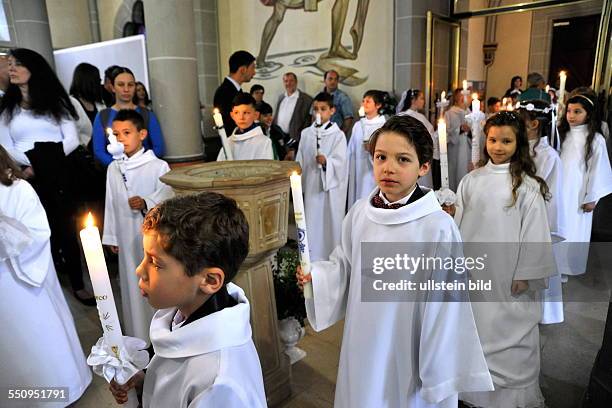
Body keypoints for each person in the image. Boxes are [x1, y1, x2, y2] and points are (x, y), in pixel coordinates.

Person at [296, 115, 494, 407]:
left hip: (408, 341)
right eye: (381, 157)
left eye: (403, 159)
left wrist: (439, 367)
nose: (388, 168)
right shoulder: (361, 213)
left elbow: (446, 301)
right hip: (363, 335)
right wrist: (320, 278)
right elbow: (344, 265)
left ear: (423, 167)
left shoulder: (437, 226)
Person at [108, 192, 267, 407]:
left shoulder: (218, 384)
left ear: (210, 280)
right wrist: (146, 377)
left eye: (155, 263)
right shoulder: (189, 310)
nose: (139, 270)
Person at [452, 111, 556, 407]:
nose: (497, 147)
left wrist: (525, 272)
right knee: (476, 325)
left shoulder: (527, 186)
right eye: (493, 140)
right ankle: (470, 391)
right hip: (475, 268)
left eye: (506, 141)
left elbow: (535, 232)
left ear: (519, 143)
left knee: (505, 325)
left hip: (509, 271)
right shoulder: (471, 180)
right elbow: (459, 219)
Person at [0, 48, 95, 305]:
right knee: (39, 229)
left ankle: (77, 282)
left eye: (17, 64)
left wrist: (45, 163)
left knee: (67, 227)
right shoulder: (7, 108)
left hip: (60, 172)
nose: (12, 69)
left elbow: (72, 139)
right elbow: (5, 143)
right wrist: (32, 162)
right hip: (26, 175)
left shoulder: (56, 102)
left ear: (34, 68)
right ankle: (47, 280)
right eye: (10, 64)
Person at [0, 145, 92, 405]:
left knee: (34, 344)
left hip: (18, 281)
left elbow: (36, 234)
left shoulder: (16, 188)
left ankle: (51, 395)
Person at [102, 109, 174, 341]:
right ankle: (138, 336)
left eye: (126, 132)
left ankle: (161, 333)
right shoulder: (113, 168)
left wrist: (146, 201)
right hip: (125, 235)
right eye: (116, 134)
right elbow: (111, 202)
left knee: (155, 281)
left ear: (142, 134)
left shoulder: (158, 166)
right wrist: (112, 236)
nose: (121, 138)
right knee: (132, 287)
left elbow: (168, 197)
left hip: (151, 238)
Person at [517, 99, 566, 324]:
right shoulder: (521, 147)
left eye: (519, 121)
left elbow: (543, 190)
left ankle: (543, 314)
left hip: (538, 215)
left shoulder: (548, 156)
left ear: (534, 124)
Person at [557, 90, 612, 279]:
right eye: (569, 111)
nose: (571, 116)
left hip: (577, 194)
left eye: (577, 112)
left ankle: (564, 269)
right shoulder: (560, 134)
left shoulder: (595, 140)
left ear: (588, 113)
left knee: (571, 230)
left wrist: (592, 197)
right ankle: (550, 267)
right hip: (557, 191)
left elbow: (599, 170)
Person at [296, 92, 347, 261]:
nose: (318, 113)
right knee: (312, 225)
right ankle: (311, 260)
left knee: (329, 227)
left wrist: (327, 163)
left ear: (332, 110)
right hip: (311, 189)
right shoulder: (306, 134)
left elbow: (342, 163)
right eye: (316, 109)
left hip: (330, 192)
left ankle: (331, 261)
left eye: (323, 109)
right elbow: (300, 161)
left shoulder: (338, 135)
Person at [92, 67, 165, 167]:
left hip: (145, 168)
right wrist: (118, 166)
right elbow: (99, 151)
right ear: (112, 87)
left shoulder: (147, 114)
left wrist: (139, 165)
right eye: (121, 85)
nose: (126, 89)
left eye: (130, 85)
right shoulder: (103, 116)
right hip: (116, 171)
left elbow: (159, 148)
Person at [347, 89, 385, 207]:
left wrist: (372, 149)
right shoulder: (358, 125)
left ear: (378, 105)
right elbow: (350, 150)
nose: (364, 104)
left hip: (372, 172)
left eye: (368, 101)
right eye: (363, 101)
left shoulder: (383, 125)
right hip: (358, 170)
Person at [398, 88, 439, 189]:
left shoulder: (401, 115)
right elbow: (430, 135)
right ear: (413, 100)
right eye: (421, 98)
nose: (423, 101)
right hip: (419, 155)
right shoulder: (418, 117)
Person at [217, 93, 274, 161]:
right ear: (232, 115)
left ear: (256, 115)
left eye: (246, 112)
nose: (241, 117)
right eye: (236, 113)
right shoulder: (228, 142)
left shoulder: (264, 142)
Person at [213, 50, 256, 135]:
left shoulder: (235, 89)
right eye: (253, 68)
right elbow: (230, 126)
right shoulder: (224, 92)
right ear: (243, 70)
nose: (254, 72)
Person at [274, 72, 313, 159]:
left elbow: (307, 122)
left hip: (296, 141)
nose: (288, 83)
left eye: (291, 81)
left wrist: (296, 142)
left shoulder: (306, 99)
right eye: (286, 81)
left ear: (296, 82)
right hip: (280, 141)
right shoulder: (281, 98)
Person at [444, 88, 471, 191]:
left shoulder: (471, 113)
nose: (463, 98)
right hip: (455, 149)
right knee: (455, 173)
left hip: (468, 148)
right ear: (457, 98)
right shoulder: (450, 113)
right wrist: (459, 129)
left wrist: (471, 131)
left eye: (466, 96)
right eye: (461, 95)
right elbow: (444, 133)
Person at [322, 69, 354, 133]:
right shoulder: (319, 96)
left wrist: (340, 135)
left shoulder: (343, 98)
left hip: (335, 134)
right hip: (320, 134)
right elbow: (313, 116)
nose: (333, 81)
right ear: (325, 80)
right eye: (330, 79)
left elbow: (348, 119)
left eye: (335, 79)